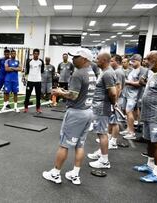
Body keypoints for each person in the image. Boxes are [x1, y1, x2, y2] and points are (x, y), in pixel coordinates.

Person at [42, 48, 96, 185]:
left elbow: (73, 95)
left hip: (76, 113)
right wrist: (64, 91)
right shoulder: (91, 72)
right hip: (88, 112)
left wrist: (59, 93)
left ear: (84, 59)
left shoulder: (78, 74)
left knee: (64, 144)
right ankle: (75, 174)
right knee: (79, 144)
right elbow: (78, 92)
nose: (73, 59)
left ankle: (55, 173)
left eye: (76, 57)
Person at [133, 51, 157, 183]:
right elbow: (144, 85)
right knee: (149, 141)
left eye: (148, 59)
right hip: (148, 114)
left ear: (156, 60)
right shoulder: (152, 72)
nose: (145, 61)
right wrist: (142, 81)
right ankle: (150, 166)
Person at [87, 52, 117, 169]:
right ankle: (101, 152)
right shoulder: (104, 72)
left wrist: (113, 104)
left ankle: (104, 161)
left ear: (104, 60)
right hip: (99, 105)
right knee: (101, 132)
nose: (95, 60)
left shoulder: (108, 73)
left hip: (102, 106)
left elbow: (113, 93)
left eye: (98, 58)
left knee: (102, 133)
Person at [120, 54, 145, 140]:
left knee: (128, 111)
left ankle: (132, 132)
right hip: (128, 93)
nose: (131, 63)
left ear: (139, 61)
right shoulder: (133, 70)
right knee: (127, 112)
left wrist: (127, 82)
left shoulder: (142, 70)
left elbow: (140, 83)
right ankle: (128, 129)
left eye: (133, 61)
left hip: (134, 95)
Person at [106, 54, 125, 149]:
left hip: (117, 100)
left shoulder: (118, 72)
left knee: (115, 122)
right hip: (115, 100)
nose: (110, 63)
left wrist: (115, 102)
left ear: (117, 62)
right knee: (112, 120)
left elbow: (118, 88)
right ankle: (109, 138)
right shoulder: (116, 71)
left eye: (112, 61)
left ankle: (113, 142)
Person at [23, 49, 44, 113]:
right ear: (33, 54)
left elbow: (42, 70)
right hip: (30, 81)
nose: (36, 55)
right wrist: (25, 78)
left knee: (38, 95)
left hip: (38, 81)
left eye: (37, 54)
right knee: (27, 95)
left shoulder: (41, 61)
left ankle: (38, 108)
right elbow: (27, 71)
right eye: (34, 53)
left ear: (38, 54)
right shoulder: (29, 61)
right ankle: (26, 108)